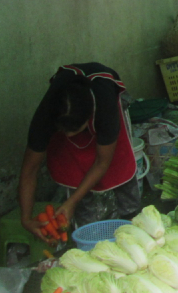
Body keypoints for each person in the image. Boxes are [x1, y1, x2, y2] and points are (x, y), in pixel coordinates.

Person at [19, 63, 141, 238]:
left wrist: (71, 202)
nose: (68, 136)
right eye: (64, 131)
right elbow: (29, 170)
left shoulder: (105, 111)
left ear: (89, 117)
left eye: (74, 131)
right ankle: (86, 227)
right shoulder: (45, 116)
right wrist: (26, 218)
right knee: (71, 167)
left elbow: (102, 162)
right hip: (68, 109)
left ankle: (132, 216)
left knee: (119, 165)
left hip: (103, 95)